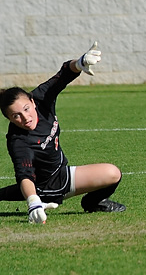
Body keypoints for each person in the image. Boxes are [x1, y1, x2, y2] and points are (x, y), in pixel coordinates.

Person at [0, 42, 125, 224]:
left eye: (26, 109)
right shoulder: (18, 141)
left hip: (62, 172)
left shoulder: (41, 99)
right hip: (48, 186)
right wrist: (33, 202)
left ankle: (93, 203)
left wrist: (80, 63)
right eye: (16, 116)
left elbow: (63, 74)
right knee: (112, 172)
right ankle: (89, 203)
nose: (25, 117)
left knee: (113, 173)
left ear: (32, 102)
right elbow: (24, 176)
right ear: (9, 119)